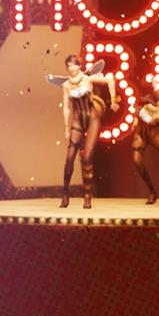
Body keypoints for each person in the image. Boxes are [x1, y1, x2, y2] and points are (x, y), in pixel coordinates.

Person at [49, 54, 117, 209]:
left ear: (79, 66)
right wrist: (66, 128)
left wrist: (113, 100)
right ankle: (65, 194)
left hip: (93, 120)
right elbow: (66, 108)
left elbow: (110, 79)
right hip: (77, 121)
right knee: (69, 158)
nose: (71, 68)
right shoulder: (66, 85)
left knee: (87, 159)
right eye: (69, 65)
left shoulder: (88, 79)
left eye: (74, 65)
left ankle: (87, 196)